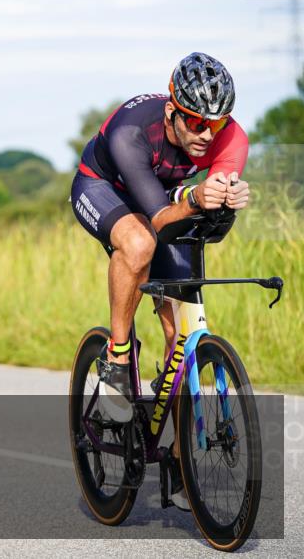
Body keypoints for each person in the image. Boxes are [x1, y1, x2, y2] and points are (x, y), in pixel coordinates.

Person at [70, 52, 250, 509]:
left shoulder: (231, 138)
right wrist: (196, 197)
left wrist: (226, 200)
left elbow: (205, 211)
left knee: (180, 333)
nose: (207, 134)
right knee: (137, 245)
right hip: (104, 188)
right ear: (173, 111)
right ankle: (116, 359)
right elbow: (159, 217)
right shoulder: (132, 132)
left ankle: (180, 460)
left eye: (216, 123)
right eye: (196, 122)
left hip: (165, 199)